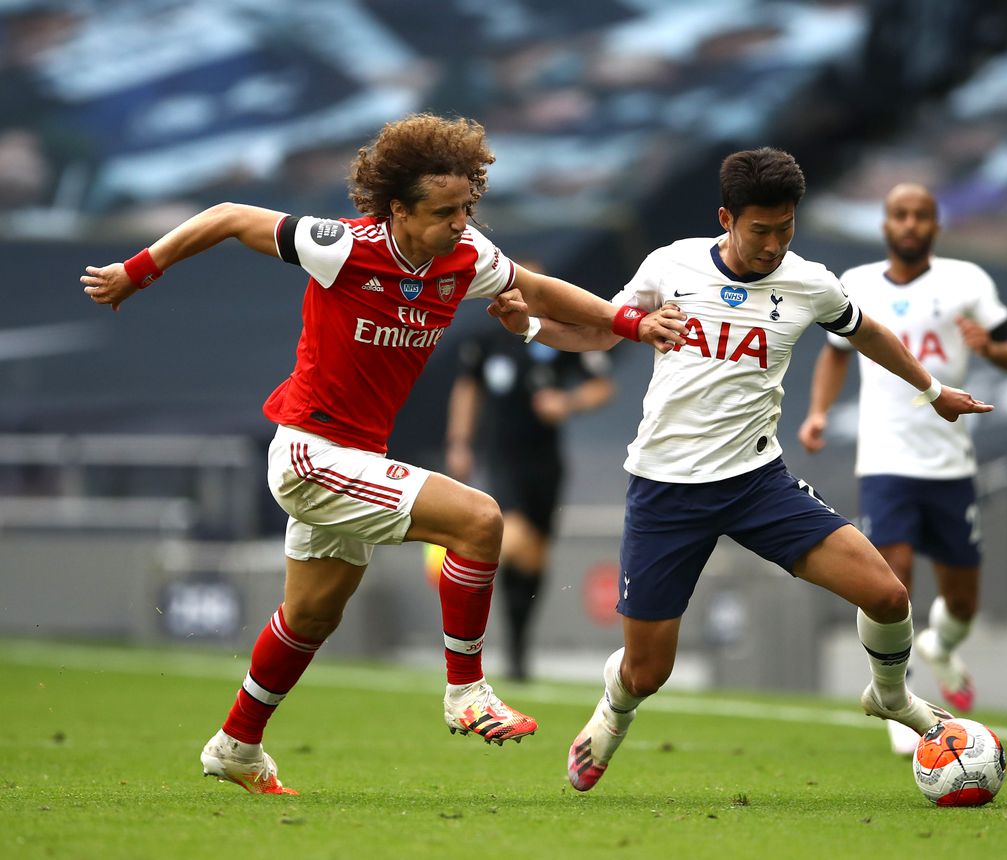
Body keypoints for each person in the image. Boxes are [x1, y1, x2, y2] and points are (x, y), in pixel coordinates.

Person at [80, 113, 683, 795]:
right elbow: (226, 216)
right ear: (398, 209)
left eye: (467, 207)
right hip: (311, 453)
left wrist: (630, 321)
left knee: (311, 616)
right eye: (444, 212)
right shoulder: (342, 246)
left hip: (358, 455)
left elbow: (541, 291)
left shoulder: (466, 256)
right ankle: (466, 691)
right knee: (480, 520)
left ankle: (236, 745)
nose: (461, 223)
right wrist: (136, 271)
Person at [487, 147, 994, 792]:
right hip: (666, 489)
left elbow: (867, 332)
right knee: (647, 672)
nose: (774, 245)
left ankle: (892, 698)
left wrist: (932, 389)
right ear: (726, 219)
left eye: (786, 228)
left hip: (758, 484)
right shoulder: (671, 265)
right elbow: (602, 332)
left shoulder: (810, 283)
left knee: (890, 595)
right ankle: (614, 709)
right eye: (760, 231)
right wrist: (531, 326)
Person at [798, 182, 1007, 754]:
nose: (909, 224)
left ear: (935, 225)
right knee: (892, 582)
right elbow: (835, 354)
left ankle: (941, 647)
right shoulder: (857, 284)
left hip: (950, 463)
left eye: (920, 215)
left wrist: (989, 348)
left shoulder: (967, 281)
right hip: (885, 460)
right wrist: (818, 413)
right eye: (899, 214)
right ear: (886, 225)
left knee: (963, 603)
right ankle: (897, 697)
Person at [445, 287, 616, 681]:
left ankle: (518, 650)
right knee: (515, 539)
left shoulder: (558, 338)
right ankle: (489, 644)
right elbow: (467, 390)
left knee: (535, 557)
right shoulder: (485, 342)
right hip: (502, 460)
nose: (516, 303)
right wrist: (459, 442)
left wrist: (568, 403)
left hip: (546, 463)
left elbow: (602, 387)